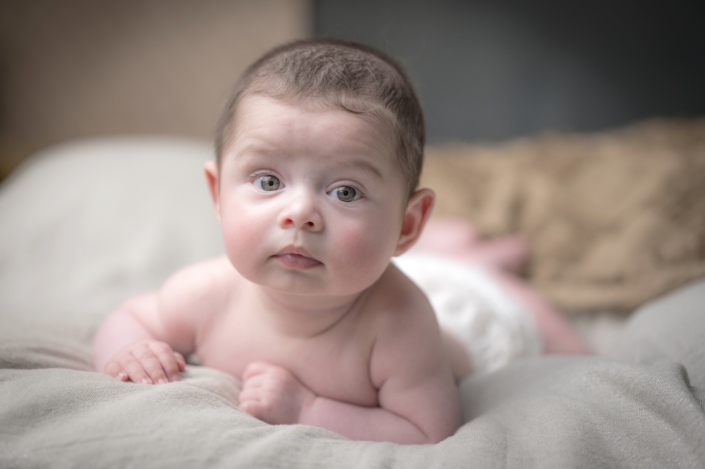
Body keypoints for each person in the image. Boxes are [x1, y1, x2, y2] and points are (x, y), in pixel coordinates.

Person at [93, 38, 585, 444]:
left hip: (470, 313)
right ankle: (459, 247)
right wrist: (130, 350)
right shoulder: (207, 293)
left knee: (498, 293)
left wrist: (307, 407)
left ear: (406, 225)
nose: (300, 214)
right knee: (448, 261)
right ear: (217, 193)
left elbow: (426, 430)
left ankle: (484, 265)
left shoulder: (400, 324)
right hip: (396, 262)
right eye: (268, 182)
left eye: (345, 192)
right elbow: (131, 318)